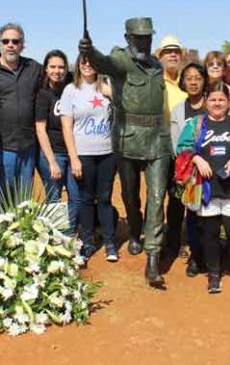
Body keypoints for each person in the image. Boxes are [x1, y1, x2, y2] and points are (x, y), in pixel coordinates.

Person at [78, 17, 172, 287]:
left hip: (157, 139)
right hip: (128, 138)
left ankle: (152, 257)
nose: (144, 42)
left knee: (157, 196)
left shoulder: (156, 64)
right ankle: (134, 229)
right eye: (139, 38)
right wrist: (88, 50)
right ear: (128, 38)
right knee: (130, 195)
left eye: (148, 37)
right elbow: (103, 63)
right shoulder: (121, 61)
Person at [175, 82, 230, 294]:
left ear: (229, 102)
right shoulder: (195, 125)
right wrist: (195, 158)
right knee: (210, 235)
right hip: (206, 191)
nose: (217, 103)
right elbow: (182, 149)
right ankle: (214, 274)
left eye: (221, 99)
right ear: (206, 101)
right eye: (213, 99)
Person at [60, 53, 117, 262]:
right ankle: (88, 242)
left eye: (91, 61)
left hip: (107, 153)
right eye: (83, 62)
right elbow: (67, 127)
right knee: (86, 199)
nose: (87, 65)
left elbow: (124, 109)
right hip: (83, 153)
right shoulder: (70, 90)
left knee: (104, 199)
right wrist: (73, 158)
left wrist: (112, 94)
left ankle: (110, 242)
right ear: (78, 65)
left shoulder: (108, 86)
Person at [0, 22, 43, 193]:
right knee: (3, 196)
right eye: (6, 41)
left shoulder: (34, 68)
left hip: (28, 145)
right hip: (2, 145)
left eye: (15, 41)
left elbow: (57, 81)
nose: (10, 45)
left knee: (24, 196)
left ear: (22, 45)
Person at [169, 62, 208, 276]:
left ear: (204, 81)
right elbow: (177, 145)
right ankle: (195, 256)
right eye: (189, 78)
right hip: (190, 174)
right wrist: (193, 161)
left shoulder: (212, 104)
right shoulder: (178, 110)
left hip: (212, 170)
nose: (193, 82)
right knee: (193, 213)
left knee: (212, 214)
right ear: (183, 82)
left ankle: (211, 254)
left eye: (198, 78)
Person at [35, 50, 79, 233]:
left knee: (76, 197)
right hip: (52, 154)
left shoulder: (73, 90)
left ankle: (68, 236)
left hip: (74, 153)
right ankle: (55, 238)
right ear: (46, 69)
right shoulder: (43, 95)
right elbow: (40, 129)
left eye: (61, 67)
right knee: (54, 198)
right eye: (52, 66)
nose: (57, 70)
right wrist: (52, 161)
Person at [156, 34, 188, 260]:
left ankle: (174, 241)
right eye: (168, 51)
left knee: (178, 198)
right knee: (157, 197)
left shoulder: (188, 82)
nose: (173, 55)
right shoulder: (154, 81)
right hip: (158, 150)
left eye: (176, 51)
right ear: (161, 56)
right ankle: (153, 241)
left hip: (182, 152)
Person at [204, 51, 230, 120]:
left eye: (219, 64)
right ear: (206, 69)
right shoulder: (199, 91)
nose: (215, 66)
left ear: (224, 69)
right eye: (211, 64)